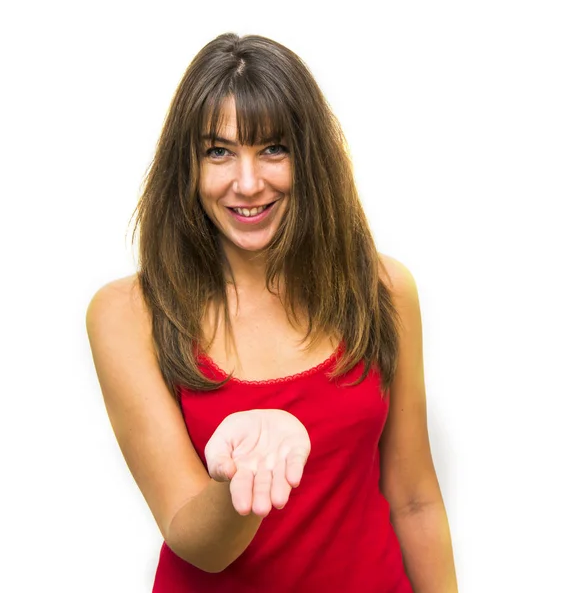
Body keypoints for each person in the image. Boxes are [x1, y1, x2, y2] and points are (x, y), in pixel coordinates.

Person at [86, 32, 458, 592]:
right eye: (219, 151)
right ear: (185, 166)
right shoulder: (127, 314)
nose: (248, 182)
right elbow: (196, 540)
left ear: (307, 158)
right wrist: (245, 468)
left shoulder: (383, 289)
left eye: (273, 149)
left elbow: (414, 501)